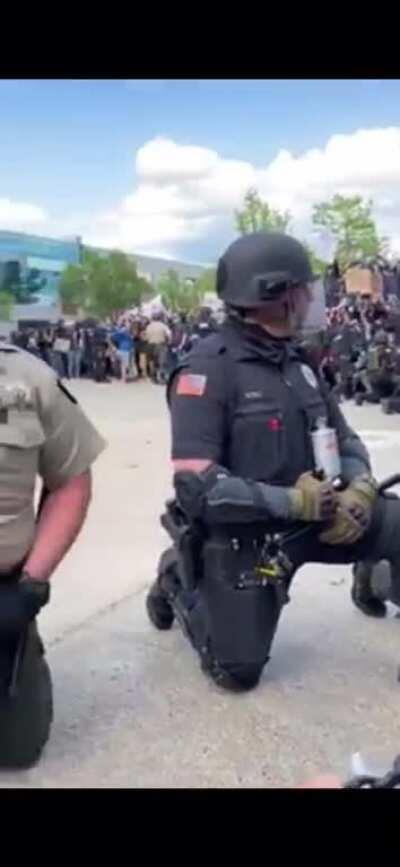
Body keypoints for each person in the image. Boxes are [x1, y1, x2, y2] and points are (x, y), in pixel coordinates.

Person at [146, 231, 400, 693]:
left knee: (399, 519)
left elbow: (345, 438)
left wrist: (360, 486)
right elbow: (197, 486)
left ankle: (377, 574)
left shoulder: (298, 362)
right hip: (253, 537)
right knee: (237, 672)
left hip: (326, 515)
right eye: (305, 288)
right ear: (279, 295)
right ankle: (176, 579)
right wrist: (292, 502)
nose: (311, 298)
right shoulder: (206, 371)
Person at [0, 341, 106, 766]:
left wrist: (31, 585)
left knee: (18, 747)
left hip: (3, 599)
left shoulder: (28, 378)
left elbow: (71, 481)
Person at [143, 315, 171, 383]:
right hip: (160, 345)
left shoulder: (149, 326)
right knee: (162, 362)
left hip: (150, 345)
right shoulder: (163, 325)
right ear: (160, 319)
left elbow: (145, 337)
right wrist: (169, 341)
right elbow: (169, 334)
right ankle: (162, 377)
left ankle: (154, 377)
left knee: (153, 362)